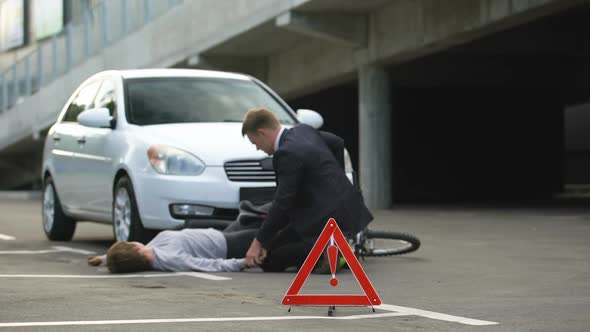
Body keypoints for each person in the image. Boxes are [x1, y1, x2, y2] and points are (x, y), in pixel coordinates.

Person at [241, 108, 373, 270]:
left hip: (324, 219)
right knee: (271, 248)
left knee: (269, 262)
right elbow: (336, 142)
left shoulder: (286, 154)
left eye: (255, 143)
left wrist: (257, 243)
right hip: (345, 207)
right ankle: (335, 250)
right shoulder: (304, 130)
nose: (257, 148)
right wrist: (336, 179)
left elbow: (282, 203)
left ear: (262, 133)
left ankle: (330, 251)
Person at [88, 228, 258, 273]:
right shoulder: (170, 258)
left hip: (216, 234)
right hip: (228, 244)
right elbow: (209, 265)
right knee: (265, 231)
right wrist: (242, 263)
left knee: (249, 213)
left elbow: (121, 257)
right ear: (135, 248)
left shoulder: (150, 250)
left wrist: (104, 259)